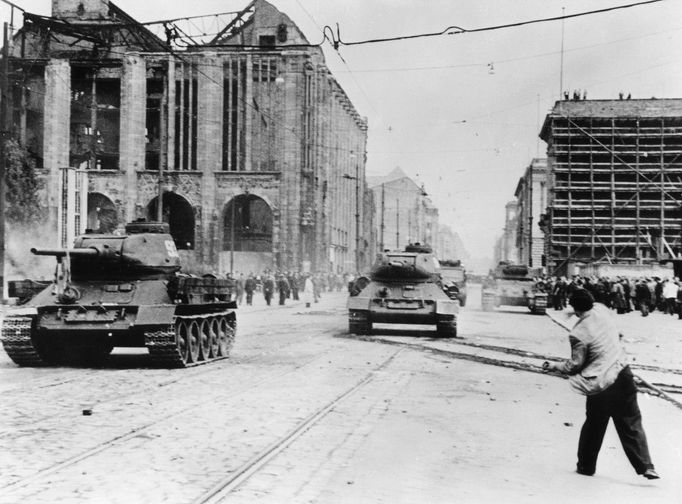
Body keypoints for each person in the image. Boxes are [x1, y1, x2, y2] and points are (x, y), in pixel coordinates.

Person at [543, 289, 658, 480]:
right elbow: (612, 327)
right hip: (623, 374)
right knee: (631, 421)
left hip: (601, 385)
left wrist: (555, 365)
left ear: (576, 309)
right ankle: (646, 466)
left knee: (594, 425)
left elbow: (574, 365)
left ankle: (586, 467)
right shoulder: (602, 310)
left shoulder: (578, 334)